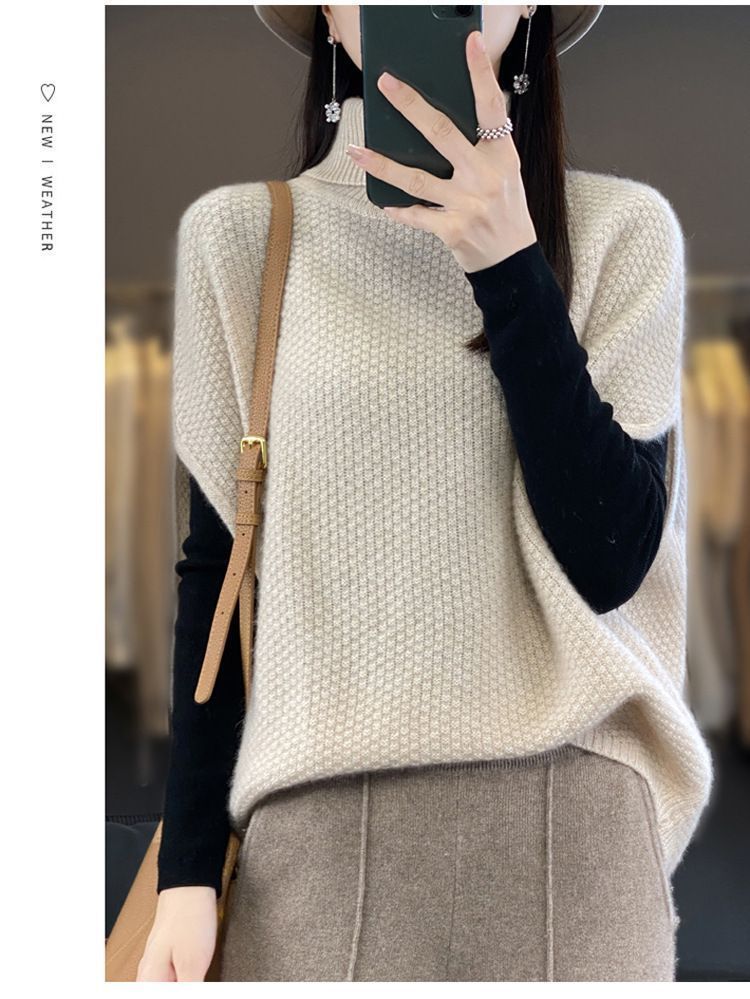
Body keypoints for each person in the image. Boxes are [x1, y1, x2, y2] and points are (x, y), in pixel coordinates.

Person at [137, 4, 714, 983]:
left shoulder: (622, 233)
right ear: (329, 11)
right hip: (316, 845)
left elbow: (611, 560)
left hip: (576, 837)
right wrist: (186, 872)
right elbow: (220, 573)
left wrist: (510, 264)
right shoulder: (241, 238)